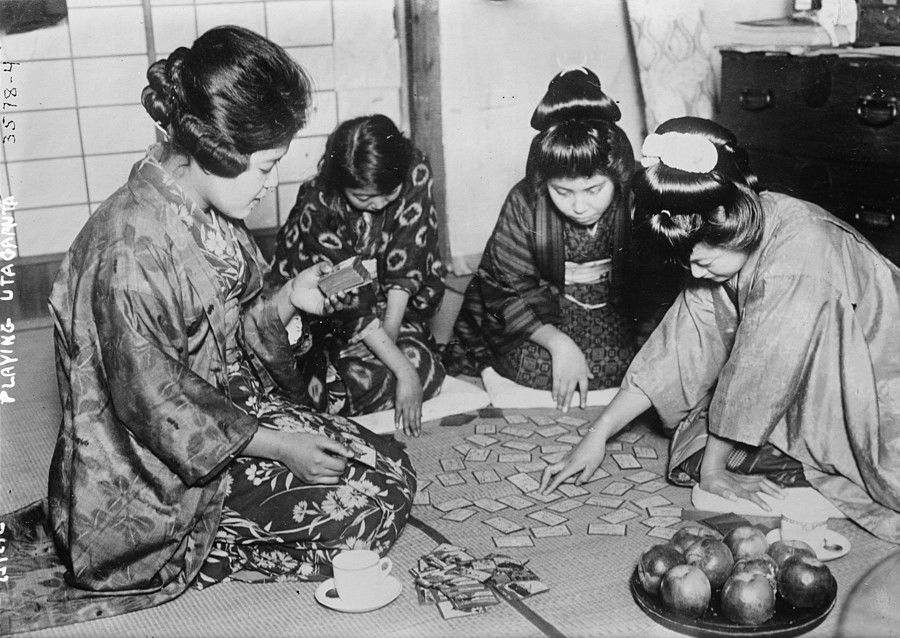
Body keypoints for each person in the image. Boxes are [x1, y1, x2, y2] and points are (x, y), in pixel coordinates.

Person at [0, 27, 415, 634]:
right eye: (267, 166)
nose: (271, 183)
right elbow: (155, 403)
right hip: (152, 474)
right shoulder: (128, 250)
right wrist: (280, 445)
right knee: (361, 512)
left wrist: (289, 303)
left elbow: (235, 331)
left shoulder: (203, 207)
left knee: (390, 465)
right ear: (219, 149)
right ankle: (196, 551)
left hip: (226, 418)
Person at [540, 116, 900, 545]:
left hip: (878, 383)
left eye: (703, 261)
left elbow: (759, 374)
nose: (694, 271)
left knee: (723, 456)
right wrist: (596, 435)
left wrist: (714, 471)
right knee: (698, 441)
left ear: (731, 217)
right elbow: (678, 345)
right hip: (801, 373)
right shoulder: (730, 233)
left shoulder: (798, 253)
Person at [444, 67, 637, 412]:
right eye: (563, 191)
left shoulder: (638, 197)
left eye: (594, 189)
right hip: (546, 310)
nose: (579, 206)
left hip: (620, 307)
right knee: (531, 366)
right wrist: (558, 344)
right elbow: (505, 285)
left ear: (618, 174)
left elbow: (657, 290)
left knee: (635, 363)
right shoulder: (525, 201)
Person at [270, 114, 446, 436]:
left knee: (426, 364)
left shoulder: (414, 169)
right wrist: (403, 371)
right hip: (323, 320)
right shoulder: (318, 203)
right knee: (313, 384)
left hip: (383, 311)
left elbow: (410, 256)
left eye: (388, 195)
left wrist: (390, 335)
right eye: (363, 198)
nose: (377, 204)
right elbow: (351, 302)